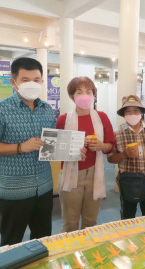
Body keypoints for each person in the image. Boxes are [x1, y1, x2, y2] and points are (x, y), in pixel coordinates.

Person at [0, 57, 56, 246]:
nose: (32, 84)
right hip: (15, 191)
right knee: (11, 243)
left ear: (42, 82)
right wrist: (21, 147)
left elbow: (51, 146)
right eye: (25, 80)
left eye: (36, 80)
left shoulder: (47, 110)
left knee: (43, 240)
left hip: (44, 187)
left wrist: (72, 150)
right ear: (14, 82)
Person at [56, 76, 115, 232]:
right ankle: (70, 254)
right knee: (70, 221)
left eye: (89, 91)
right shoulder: (63, 120)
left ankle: (87, 252)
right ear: (71, 96)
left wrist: (102, 145)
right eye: (79, 91)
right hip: (71, 174)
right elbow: (56, 150)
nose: (85, 95)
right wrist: (73, 149)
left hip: (95, 173)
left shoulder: (101, 117)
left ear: (94, 95)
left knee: (91, 221)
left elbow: (111, 146)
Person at [108, 95, 145, 219]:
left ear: (141, 113)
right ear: (124, 114)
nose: (132, 114)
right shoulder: (117, 133)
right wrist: (124, 154)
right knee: (127, 217)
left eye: (136, 111)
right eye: (128, 111)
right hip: (128, 183)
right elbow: (110, 159)